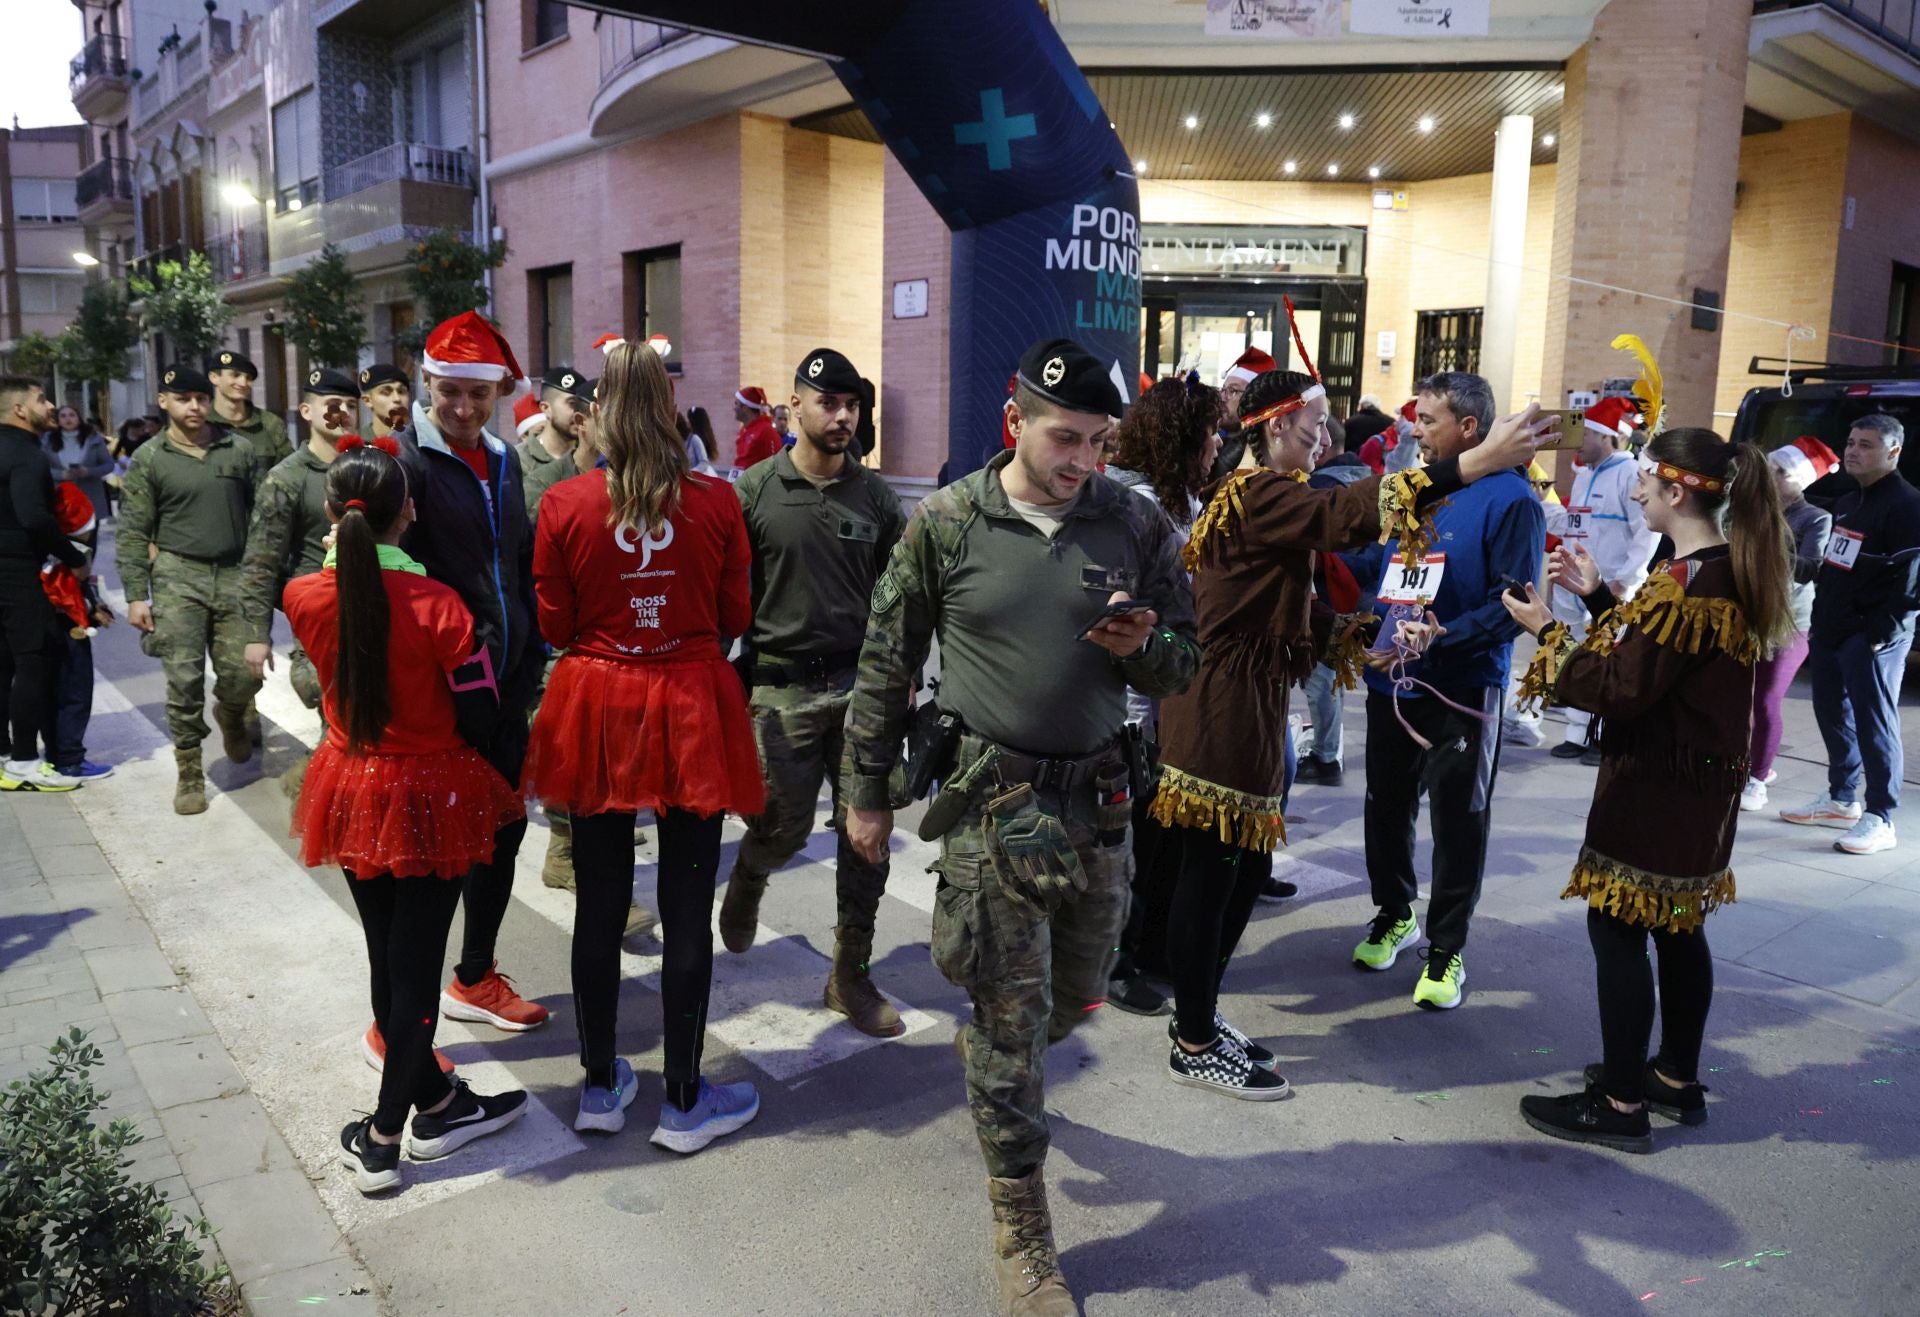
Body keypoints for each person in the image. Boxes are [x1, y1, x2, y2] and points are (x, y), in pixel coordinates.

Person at [844, 338, 1201, 1316]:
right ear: (1016, 422)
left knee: (1078, 993)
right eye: (1064, 437)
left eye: (1097, 440)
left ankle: (1004, 1054)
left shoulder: (1134, 523)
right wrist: (865, 792)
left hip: (1100, 806)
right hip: (994, 807)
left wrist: (1149, 648)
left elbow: (1184, 656)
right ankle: (1024, 1231)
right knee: (1009, 1019)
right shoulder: (949, 522)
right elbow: (886, 659)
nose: (1082, 459)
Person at [1155, 356, 1554, 1098]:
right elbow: (1347, 518)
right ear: (1276, 427)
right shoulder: (1259, 492)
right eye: (1313, 428)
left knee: (1235, 875)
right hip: (1220, 710)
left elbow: (1291, 605)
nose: (1326, 438)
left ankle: (1199, 1014)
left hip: (1242, 704)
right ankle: (1194, 1035)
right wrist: (1473, 464)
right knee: (1214, 878)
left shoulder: (1256, 494)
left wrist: (1357, 637)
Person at [1504, 427, 1793, 1151]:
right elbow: (1659, 663)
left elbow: (1623, 688)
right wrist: (1600, 596)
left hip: (1658, 785)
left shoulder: (1693, 581)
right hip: (1697, 788)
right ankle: (1672, 1077)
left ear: (1674, 491)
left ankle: (1623, 1105)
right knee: (1677, 925)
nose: (1633, 492)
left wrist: (1547, 632)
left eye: (1644, 482)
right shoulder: (1723, 569)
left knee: (1619, 927)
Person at [520, 341, 765, 1149]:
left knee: (598, 901)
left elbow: (554, 625)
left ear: (594, 415)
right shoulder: (718, 501)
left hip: (598, 701)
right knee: (686, 905)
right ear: (669, 410)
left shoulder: (562, 503)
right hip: (690, 697)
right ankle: (687, 1100)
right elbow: (735, 617)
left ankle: (599, 1085)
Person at [284, 440, 530, 1195]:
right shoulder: (439, 608)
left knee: (388, 954)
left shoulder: (304, 596)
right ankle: (389, 1137)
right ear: (410, 512)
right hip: (430, 791)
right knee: (416, 968)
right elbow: (482, 710)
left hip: (349, 783)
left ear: (332, 515)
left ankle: (440, 1100)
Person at [720, 348, 908, 1036]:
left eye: (853, 404)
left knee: (866, 837)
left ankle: (849, 973)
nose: (842, 416)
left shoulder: (876, 496)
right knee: (781, 825)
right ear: (792, 407)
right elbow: (722, 595)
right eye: (828, 402)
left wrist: (905, 677)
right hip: (781, 689)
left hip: (860, 687)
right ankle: (749, 875)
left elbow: (901, 597)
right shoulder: (754, 491)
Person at [1353, 371, 1547, 1010]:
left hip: (1462, 688)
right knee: (1385, 807)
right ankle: (1393, 913)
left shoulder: (1512, 500)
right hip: (1392, 681)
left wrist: (1444, 638)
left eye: (1428, 419)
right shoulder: (1420, 489)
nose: (1414, 428)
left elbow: (1514, 604)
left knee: (1458, 821)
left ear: (1469, 428)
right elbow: (1385, 571)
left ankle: (1446, 950)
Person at [391, 312, 551, 1034]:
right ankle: (400, 1017)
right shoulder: (406, 463)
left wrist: (533, 653)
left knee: (502, 834)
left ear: (498, 396)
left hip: (506, 686)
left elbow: (517, 565)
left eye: (477, 395)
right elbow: (393, 584)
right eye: (449, 391)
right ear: (426, 383)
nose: (462, 407)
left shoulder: (507, 460)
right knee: (431, 859)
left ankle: (475, 976)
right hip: (443, 695)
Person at [1100, 376, 1223, 1018]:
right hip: (1125, 707)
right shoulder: (1137, 505)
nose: (1218, 445)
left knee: (1152, 836)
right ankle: (1112, 962)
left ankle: (1144, 946)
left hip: (1162, 701)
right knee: (1124, 838)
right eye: (1209, 433)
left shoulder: (1179, 502)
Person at [116, 366, 269, 814]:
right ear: (164, 402)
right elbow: (131, 530)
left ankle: (233, 712)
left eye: (201, 398)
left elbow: (263, 519)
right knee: (183, 681)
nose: (195, 407)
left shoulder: (237, 450)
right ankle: (189, 772)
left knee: (244, 673)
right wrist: (135, 594)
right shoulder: (150, 458)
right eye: (184, 399)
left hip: (235, 573)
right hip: (177, 576)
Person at [1779, 415, 1919, 854]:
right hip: (1831, 629)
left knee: (1875, 722)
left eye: (1867, 444)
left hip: (1872, 638)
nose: (1854, 450)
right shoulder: (1846, 500)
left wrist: (1877, 636)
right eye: (1851, 441)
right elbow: (1836, 565)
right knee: (1831, 712)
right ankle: (1841, 799)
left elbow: (1911, 583)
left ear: (1893, 452)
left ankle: (1881, 815)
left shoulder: (1907, 506)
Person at [239, 369, 359, 759]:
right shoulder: (286, 478)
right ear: (306, 411)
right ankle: (317, 799)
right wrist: (257, 634)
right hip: (321, 613)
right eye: (332, 405)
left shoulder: (369, 468)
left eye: (351, 405)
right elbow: (262, 560)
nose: (342, 413)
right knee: (334, 713)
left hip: (375, 606)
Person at [1537, 397, 1657, 764]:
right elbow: (1571, 524)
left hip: (1608, 590)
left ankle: (1602, 736)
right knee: (1574, 654)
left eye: (1586, 433)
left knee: (1608, 657)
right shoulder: (1585, 474)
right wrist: (1540, 501)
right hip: (1573, 586)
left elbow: (1646, 533)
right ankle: (1576, 732)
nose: (1579, 440)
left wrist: (1627, 580)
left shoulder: (1628, 474)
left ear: (1608, 438)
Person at [0, 376, 87, 792]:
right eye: (41, 399)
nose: (51, 405)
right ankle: (22, 762)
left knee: (3, 664)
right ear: (20, 410)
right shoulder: (27, 455)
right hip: (18, 572)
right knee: (33, 662)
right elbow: (34, 517)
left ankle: (3, 752)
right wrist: (74, 557)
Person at [1742, 437, 1837, 812]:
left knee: (1766, 700)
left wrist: (1768, 542)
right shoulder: (1753, 509)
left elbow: (1810, 568)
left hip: (1788, 621)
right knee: (1739, 697)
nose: (1770, 474)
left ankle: (1757, 779)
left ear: (1798, 479)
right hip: (1749, 614)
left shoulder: (1816, 518)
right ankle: (1744, 765)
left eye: (1779, 471)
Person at [42, 483, 115, 781]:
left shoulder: (41, 552)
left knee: (50, 692)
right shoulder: (72, 557)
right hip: (68, 628)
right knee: (75, 691)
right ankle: (70, 759)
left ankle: (55, 753)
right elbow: (73, 590)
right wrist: (91, 612)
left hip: (43, 628)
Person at [520, 367, 592, 528]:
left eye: (583, 404)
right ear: (546, 408)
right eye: (572, 404)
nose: (579, 412)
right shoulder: (517, 460)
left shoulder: (589, 459)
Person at [207, 349, 293, 468]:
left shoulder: (270, 423)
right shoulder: (201, 422)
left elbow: (289, 470)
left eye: (248, 378)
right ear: (214, 377)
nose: (243, 383)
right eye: (235, 375)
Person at [43, 404, 115, 525]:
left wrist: (88, 471)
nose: (68, 419)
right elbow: (42, 468)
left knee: (88, 540)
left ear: (79, 418)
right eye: (63, 416)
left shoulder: (93, 439)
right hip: (61, 499)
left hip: (89, 497)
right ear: (58, 420)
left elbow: (109, 465)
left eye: (72, 415)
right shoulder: (48, 440)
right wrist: (61, 475)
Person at [732, 386, 783, 471]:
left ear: (745, 408)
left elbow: (775, 465)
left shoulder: (766, 431)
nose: (734, 408)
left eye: (736, 404)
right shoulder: (744, 430)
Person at [359, 364, 414, 442]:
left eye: (401, 391)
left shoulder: (419, 442)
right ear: (367, 400)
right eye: (385, 392)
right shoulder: (357, 446)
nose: (397, 399)